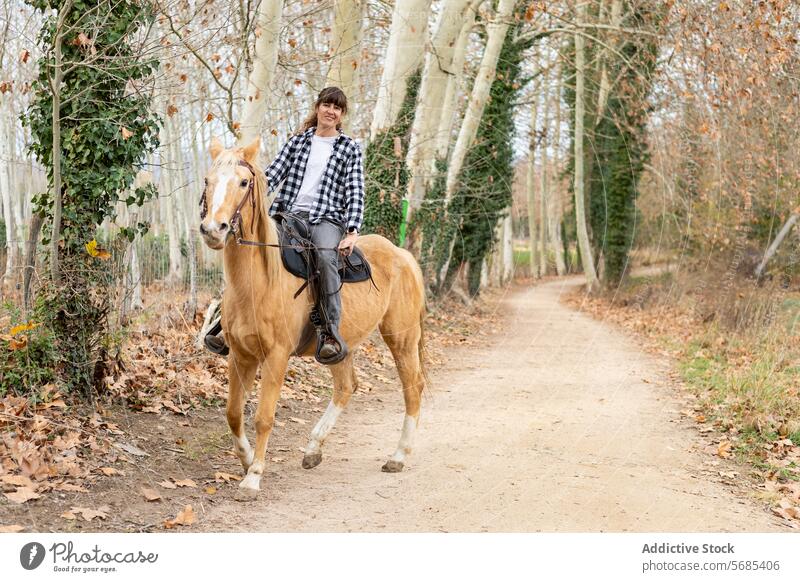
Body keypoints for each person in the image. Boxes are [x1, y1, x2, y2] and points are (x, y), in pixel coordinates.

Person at [265, 86, 365, 363]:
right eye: (327, 105)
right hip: (290, 215)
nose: (330, 111)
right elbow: (272, 175)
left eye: (337, 108)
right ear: (317, 107)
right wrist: (246, 190)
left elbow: (355, 190)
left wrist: (352, 230)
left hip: (327, 218)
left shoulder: (349, 148)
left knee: (324, 255)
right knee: (257, 249)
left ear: (341, 114)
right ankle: (226, 321)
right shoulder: (298, 141)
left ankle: (330, 331)